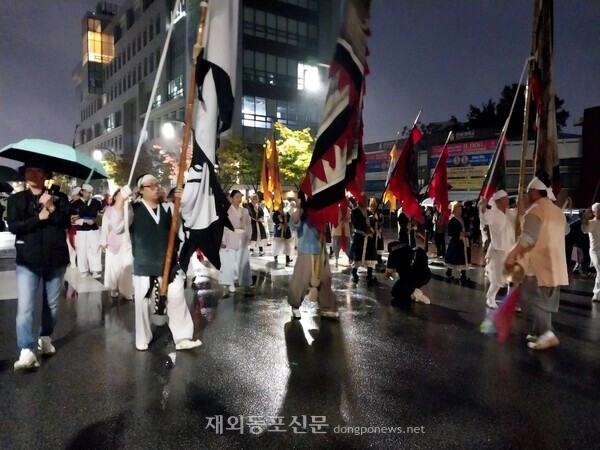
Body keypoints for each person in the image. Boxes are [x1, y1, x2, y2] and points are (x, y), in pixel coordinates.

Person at [111, 174, 201, 351]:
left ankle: (182, 337)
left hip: (169, 265)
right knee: (144, 304)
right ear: (140, 190)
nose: (156, 188)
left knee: (176, 298)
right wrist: (120, 200)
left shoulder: (169, 207)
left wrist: (184, 200)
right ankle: (143, 337)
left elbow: (187, 222)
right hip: (145, 264)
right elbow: (118, 226)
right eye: (150, 186)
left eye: (156, 185)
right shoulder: (133, 209)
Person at [7, 163, 71, 370]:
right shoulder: (16, 199)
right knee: (25, 307)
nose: (32, 174)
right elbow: (15, 226)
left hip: (56, 257)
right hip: (28, 258)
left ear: (46, 175)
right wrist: (38, 218)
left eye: (38, 171)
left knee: (51, 305)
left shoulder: (59, 198)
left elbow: (66, 222)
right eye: (28, 171)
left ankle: (45, 338)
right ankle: (26, 349)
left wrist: (51, 207)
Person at [504, 176, 569, 350]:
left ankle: (546, 334)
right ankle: (541, 332)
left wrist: (512, 255)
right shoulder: (557, 212)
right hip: (556, 264)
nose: (527, 195)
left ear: (534, 192)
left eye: (528, 192)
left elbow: (528, 237)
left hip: (538, 264)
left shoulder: (536, 210)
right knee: (544, 301)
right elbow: (566, 231)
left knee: (532, 299)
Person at [287, 195, 338, 319]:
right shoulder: (303, 211)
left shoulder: (322, 209)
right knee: (302, 279)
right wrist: (299, 208)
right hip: (306, 249)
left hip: (320, 248)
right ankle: (295, 305)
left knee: (326, 277)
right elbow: (294, 224)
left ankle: (326, 307)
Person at [478, 190, 517, 309]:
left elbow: (520, 215)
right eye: (505, 199)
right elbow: (485, 217)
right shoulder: (495, 214)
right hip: (499, 251)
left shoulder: (508, 213)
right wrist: (483, 207)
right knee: (498, 278)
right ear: (499, 202)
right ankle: (490, 298)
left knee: (512, 278)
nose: (507, 201)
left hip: (511, 251)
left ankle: (510, 301)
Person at [100, 189, 134, 300]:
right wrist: (103, 242)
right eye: (119, 194)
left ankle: (125, 289)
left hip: (127, 241)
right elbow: (105, 226)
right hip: (113, 241)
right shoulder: (109, 210)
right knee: (114, 267)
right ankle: (114, 288)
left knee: (127, 266)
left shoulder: (129, 208)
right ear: (115, 197)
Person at [220, 190, 253, 293]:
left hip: (242, 238)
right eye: (237, 197)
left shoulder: (245, 211)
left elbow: (248, 225)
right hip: (230, 237)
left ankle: (245, 282)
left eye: (240, 197)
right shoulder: (226, 211)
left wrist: (248, 236)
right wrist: (222, 240)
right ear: (231, 199)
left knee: (243, 261)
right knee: (228, 262)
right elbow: (223, 227)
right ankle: (229, 283)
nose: (239, 199)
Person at [71, 183, 103, 278]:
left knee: (95, 249)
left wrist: (94, 220)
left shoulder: (96, 203)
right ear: (82, 191)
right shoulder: (75, 204)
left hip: (94, 229)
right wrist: (84, 220)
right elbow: (71, 219)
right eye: (87, 192)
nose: (88, 194)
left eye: (90, 192)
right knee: (82, 250)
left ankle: (95, 269)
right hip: (81, 230)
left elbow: (101, 215)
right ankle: (83, 270)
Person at [385, 241, 431, 305]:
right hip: (426, 277)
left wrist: (386, 276)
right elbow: (423, 266)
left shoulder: (393, 254)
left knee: (395, 292)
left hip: (409, 278)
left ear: (392, 248)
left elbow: (389, 272)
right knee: (405, 285)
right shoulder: (419, 250)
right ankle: (414, 289)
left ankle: (416, 294)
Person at [350, 193, 378, 284]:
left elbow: (373, 224)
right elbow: (357, 223)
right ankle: (354, 274)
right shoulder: (354, 211)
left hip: (369, 237)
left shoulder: (369, 212)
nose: (366, 201)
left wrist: (373, 221)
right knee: (357, 256)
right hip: (359, 237)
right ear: (358, 200)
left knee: (370, 256)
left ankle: (369, 275)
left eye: (366, 199)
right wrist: (366, 226)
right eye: (364, 199)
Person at [445, 201, 470, 284]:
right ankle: (449, 272)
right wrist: (461, 234)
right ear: (454, 210)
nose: (460, 211)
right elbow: (450, 233)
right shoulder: (452, 220)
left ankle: (463, 275)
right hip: (456, 242)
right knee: (455, 258)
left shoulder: (462, 219)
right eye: (458, 210)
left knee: (463, 258)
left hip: (463, 241)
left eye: (460, 210)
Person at [582, 202, 600, 302]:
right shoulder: (592, 222)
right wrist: (586, 218)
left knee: (599, 272)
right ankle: (597, 295)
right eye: (599, 210)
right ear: (594, 212)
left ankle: (597, 293)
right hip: (594, 251)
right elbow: (584, 229)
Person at [331, 202, 351, 268]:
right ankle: (337, 260)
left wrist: (347, 220)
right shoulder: (336, 209)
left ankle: (349, 260)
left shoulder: (347, 209)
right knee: (337, 246)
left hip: (343, 231)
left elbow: (350, 219)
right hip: (338, 230)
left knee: (346, 246)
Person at [369, 198, 385, 267]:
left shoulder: (378, 214)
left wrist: (379, 222)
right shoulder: (368, 213)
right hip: (371, 233)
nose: (374, 207)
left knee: (379, 245)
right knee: (372, 246)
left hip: (378, 232)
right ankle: (372, 259)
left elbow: (381, 222)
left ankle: (379, 259)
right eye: (373, 206)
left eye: (375, 206)